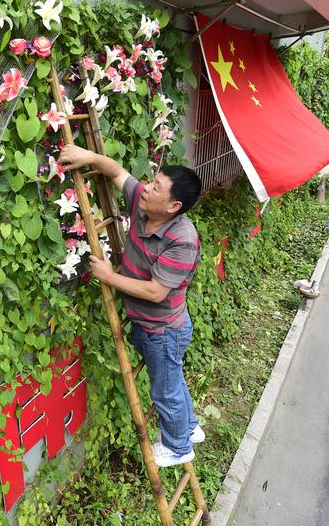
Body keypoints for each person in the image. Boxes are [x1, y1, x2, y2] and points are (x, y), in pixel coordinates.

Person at [58, 144, 204, 467]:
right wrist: (92, 158)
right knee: (172, 379)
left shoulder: (183, 240)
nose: (147, 187)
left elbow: (155, 292)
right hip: (150, 328)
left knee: (165, 391)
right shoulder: (143, 203)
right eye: (153, 181)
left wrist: (109, 277)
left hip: (164, 331)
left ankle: (179, 446)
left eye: (157, 188)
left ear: (174, 205)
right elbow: (117, 173)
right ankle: (190, 427)